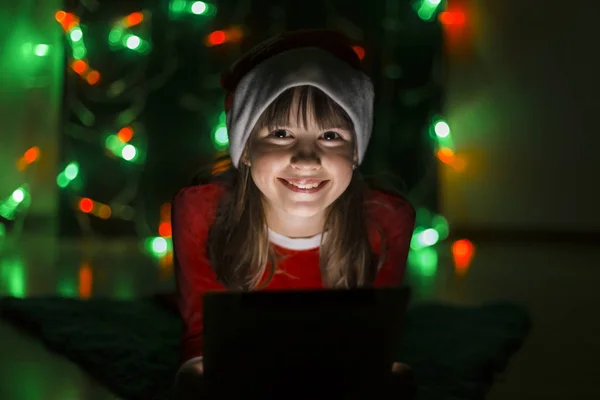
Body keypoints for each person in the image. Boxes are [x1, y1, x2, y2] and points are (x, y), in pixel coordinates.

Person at [172, 29, 417, 399]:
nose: (306, 159)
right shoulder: (200, 210)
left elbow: (375, 343)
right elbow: (201, 338)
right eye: (282, 133)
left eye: (331, 136)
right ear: (247, 150)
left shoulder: (387, 220)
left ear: (355, 152)